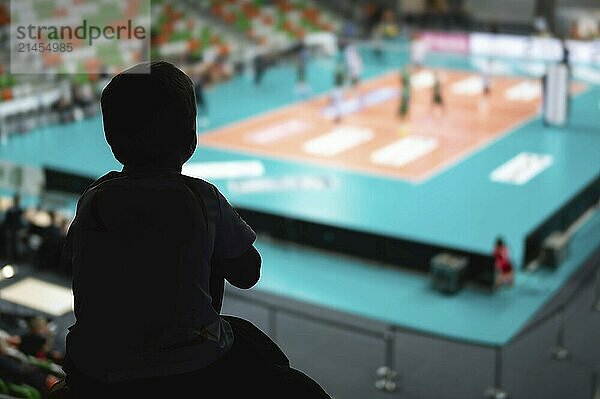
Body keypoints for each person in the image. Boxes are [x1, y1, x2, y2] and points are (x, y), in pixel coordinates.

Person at [56, 61, 331, 399]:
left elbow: (75, 262)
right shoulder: (201, 198)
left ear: (111, 139)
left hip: (90, 367)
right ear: (191, 139)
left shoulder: (93, 199)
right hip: (189, 365)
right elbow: (248, 272)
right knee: (271, 361)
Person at [2, 193, 25, 261]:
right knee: (11, 245)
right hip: (12, 230)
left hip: (14, 230)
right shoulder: (15, 210)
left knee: (13, 244)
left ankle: (12, 258)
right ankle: (10, 258)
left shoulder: (16, 210)